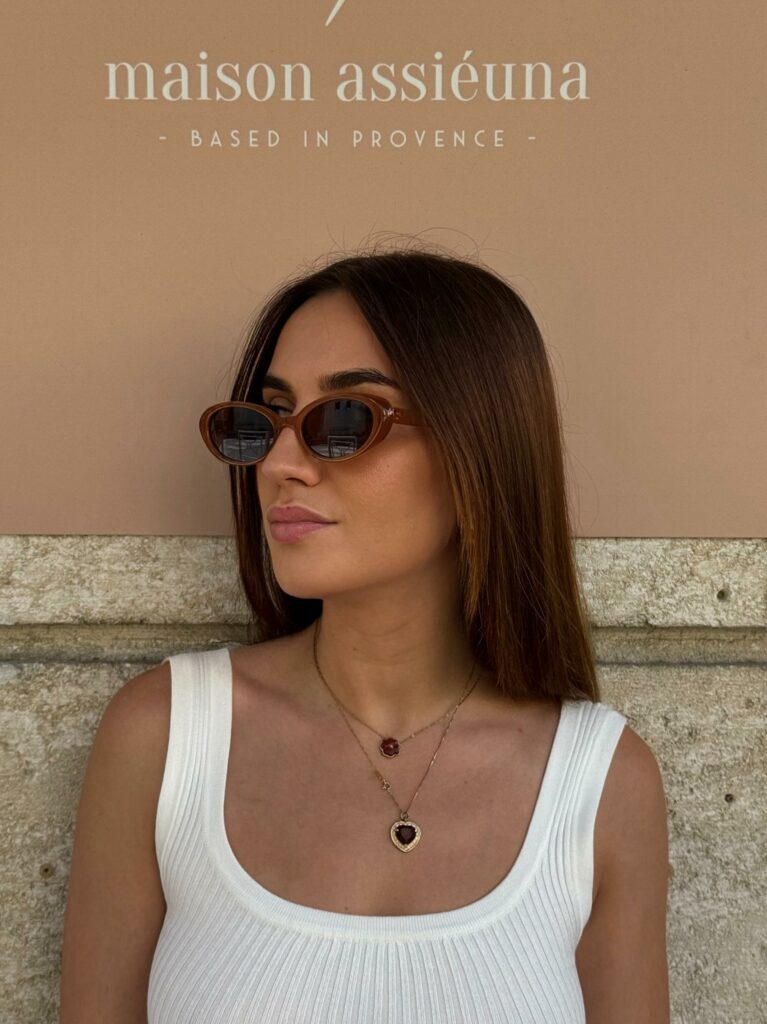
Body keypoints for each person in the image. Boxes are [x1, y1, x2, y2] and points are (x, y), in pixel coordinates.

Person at [59, 244, 671, 1023]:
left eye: (343, 419)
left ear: (477, 446)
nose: (280, 464)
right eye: (266, 421)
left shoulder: (599, 781)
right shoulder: (164, 736)